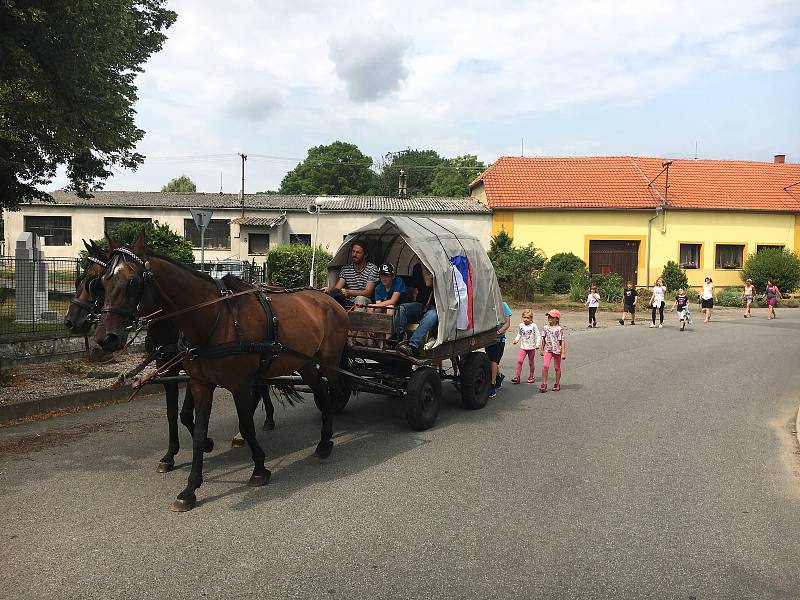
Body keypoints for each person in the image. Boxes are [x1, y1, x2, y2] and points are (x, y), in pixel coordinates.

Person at [397, 264, 437, 357]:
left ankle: (412, 346)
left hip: (436, 306)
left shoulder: (436, 267)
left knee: (431, 315)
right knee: (401, 308)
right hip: (421, 304)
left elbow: (428, 283)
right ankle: (400, 340)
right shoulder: (417, 268)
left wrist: (424, 264)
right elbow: (416, 287)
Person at [329, 241, 378, 312]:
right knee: (333, 296)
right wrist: (329, 290)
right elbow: (337, 288)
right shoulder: (346, 269)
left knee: (360, 299)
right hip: (348, 300)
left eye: (358, 252)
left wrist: (349, 292)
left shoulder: (372, 268)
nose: (354, 254)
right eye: (353, 251)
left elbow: (368, 292)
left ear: (365, 255)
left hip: (365, 301)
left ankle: (356, 322)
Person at [486, 300, 512, 398]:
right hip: (489, 339)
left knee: (493, 361)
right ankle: (498, 376)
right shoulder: (487, 305)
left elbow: (507, 323)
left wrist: (498, 332)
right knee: (491, 361)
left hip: (499, 339)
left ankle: (492, 386)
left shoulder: (504, 305)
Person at [511, 309, 541, 384]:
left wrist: (537, 344)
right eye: (524, 317)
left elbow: (538, 335)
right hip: (523, 347)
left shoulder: (533, 326)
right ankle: (517, 377)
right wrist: (516, 340)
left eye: (528, 318)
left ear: (531, 318)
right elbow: (519, 334)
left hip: (531, 348)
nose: (526, 319)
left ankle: (531, 376)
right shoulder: (521, 325)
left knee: (531, 362)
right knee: (519, 361)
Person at [539, 309, 566, 393]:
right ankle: (544, 383)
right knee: (545, 366)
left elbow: (562, 341)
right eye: (549, 316)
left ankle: (557, 383)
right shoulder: (545, 327)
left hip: (557, 350)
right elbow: (543, 338)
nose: (549, 318)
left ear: (557, 319)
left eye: (552, 317)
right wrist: (542, 349)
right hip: (548, 349)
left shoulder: (559, 329)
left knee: (557, 368)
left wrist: (563, 353)